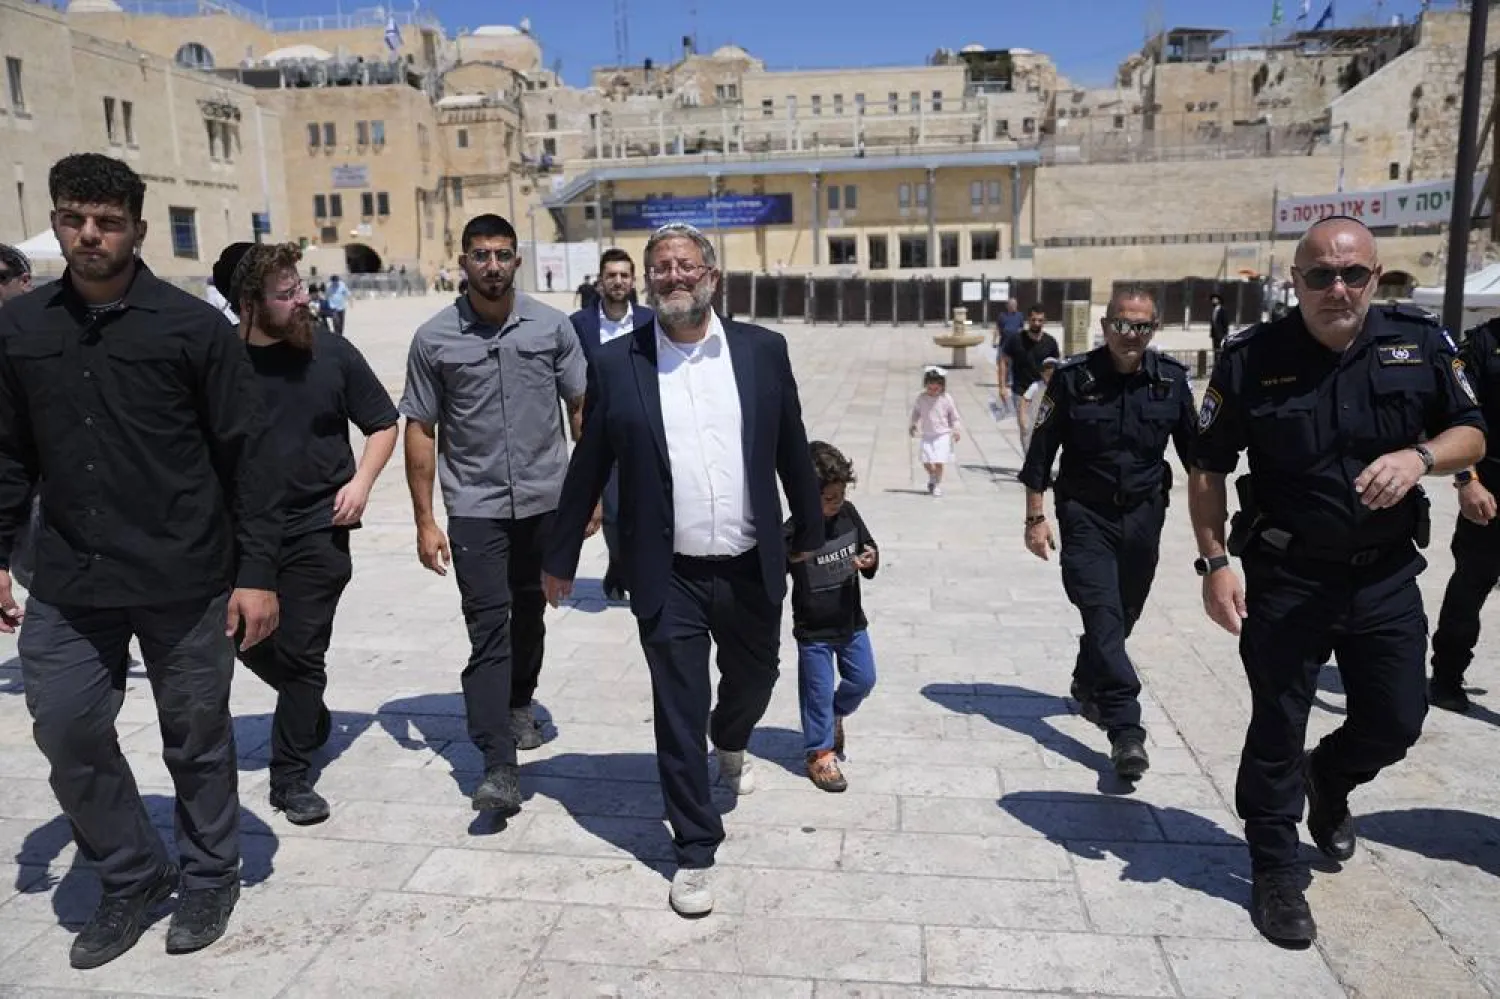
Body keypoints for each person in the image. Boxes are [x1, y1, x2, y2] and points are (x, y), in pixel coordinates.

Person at [0, 153, 283, 968]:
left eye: (107, 222)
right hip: (70, 573)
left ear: (138, 229)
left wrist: (257, 573)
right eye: (74, 219)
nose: (89, 235)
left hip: (183, 573)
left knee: (195, 736)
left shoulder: (192, 329)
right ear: (57, 223)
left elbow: (249, 456)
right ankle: (131, 872)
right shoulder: (20, 330)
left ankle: (209, 875)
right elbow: (8, 453)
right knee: (65, 725)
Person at [1188, 216, 1485, 945]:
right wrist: (1215, 562)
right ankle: (1275, 869)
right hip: (1286, 577)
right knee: (1277, 724)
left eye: (1353, 273)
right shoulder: (1252, 357)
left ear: (1375, 277)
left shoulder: (1420, 342)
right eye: (1320, 274)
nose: (1338, 288)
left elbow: (1472, 431)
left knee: (1398, 718)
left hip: (1384, 575)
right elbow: (1207, 468)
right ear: (1297, 281)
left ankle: (1330, 777)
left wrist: (1420, 457)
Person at [541, 222, 822, 918]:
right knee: (678, 709)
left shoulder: (762, 351)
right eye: (661, 268)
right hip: (668, 574)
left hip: (751, 565)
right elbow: (589, 463)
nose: (674, 277)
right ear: (648, 281)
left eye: (686, 266)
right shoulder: (618, 364)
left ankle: (732, 739)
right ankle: (695, 847)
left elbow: (792, 448)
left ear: (712, 276)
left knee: (756, 679)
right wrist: (560, 557)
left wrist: (813, 536)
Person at [400, 213, 588, 816]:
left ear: (516, 261)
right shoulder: (434, 339)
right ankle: (498, 765)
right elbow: (420, 429)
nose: (492, 266)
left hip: (544, 502)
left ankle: (519, 702)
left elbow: (581, 409)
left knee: (529, 614)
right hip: (475, 507)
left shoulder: (552, 327)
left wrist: (592, 496)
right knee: (487, 626)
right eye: (480, 255)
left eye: (502, 255)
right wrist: (425, 520)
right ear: (463, 263)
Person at [212, 241, 399, 825]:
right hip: (238, 534)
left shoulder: (331, 352)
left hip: (319, 524)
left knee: (302, 651)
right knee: (240, 636)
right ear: (249, 304)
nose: (301, 299)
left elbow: (383, 422)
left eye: (300, 287)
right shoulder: (217, 364)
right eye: (286, 293)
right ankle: (308, 709)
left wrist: (361, 483)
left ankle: (290, 778)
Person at [1019, 287, 1196, 780]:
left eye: (1141, 326)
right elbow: (1041, 453)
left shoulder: (1171, 381)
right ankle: (1125, 728)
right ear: (1105, 327)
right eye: (1121, 324)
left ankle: (1087, 676)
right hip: (1085, 515)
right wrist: (1035, 518)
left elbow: (1198, 458)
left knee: (1123, 614)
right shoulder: (1073, 379)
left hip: (1144, 516)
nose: (1130, 335)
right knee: (1101, 610)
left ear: (1153, 329)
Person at [788, 441, 879, 793]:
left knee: (864, 679)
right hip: (813, 631)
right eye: (829, 497)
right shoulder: (794, 530)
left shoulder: (849, 515)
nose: (837, 501)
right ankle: (820, 753)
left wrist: (870, 558)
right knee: (817, 692)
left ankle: (835, 713)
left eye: (841, 494)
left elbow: (869, 546)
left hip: (851, 622)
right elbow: (771, 571)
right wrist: (792, 556)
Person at [569, 247, 654, 602]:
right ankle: (619, 562)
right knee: (614, 512)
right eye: (611, 275)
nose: (618, 281)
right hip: (601, 431)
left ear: (633, 281)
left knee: (645, 508)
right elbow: (573, 385)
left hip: (643, 429)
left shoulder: (650, 321)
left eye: (624, 275)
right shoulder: (579, 324)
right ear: (600, 281)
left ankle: (636, 567)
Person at [1428, 315, 1500, 713]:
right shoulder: (1483, 344)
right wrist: (1467, 480)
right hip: (1491, 491)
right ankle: (1446, 677)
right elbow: (1454, 417)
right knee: (1470, 588)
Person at [999, 304, 1061, 446]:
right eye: (1033, 320)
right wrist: (1002, 386)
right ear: (1028, 320)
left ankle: (1038, 457)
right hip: (1021, 391)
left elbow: (1057, 367)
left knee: (1043, 429)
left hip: (1043, 392)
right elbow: (1004, 361)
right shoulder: (1016, 340)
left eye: (1040, 320)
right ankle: (1030, 458)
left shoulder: (1050, 342)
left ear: (1044, 321)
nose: (1036, 323)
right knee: (1025, 428)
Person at [908, 366, 962, 497]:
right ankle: (932, 475)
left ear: (942, 386)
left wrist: (956, 429)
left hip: (942, 434)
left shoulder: (946, 398)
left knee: (939, 461)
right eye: (930, 388)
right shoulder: (921, 398)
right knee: (925, 460)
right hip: (927, 434)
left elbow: (954, 416)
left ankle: (937, 484)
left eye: (936, 389)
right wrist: (913, 424)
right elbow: (916, 412)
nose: (932, 391)